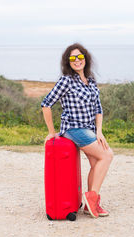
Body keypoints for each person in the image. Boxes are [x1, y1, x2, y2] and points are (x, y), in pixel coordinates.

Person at [41, 43, 113, 219]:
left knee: (97, 164)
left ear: (85, 59)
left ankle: (90, 206)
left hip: (89, 130)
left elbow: (98, 109)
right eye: (73, 58)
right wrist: (52, 132)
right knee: (107, 155)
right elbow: (46, 104)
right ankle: (92, 197)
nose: (77, 60)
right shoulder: (66, 80)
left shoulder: (91, 81)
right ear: (68, 62)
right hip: (74, 128)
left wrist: (99, 132)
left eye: (80, 57)